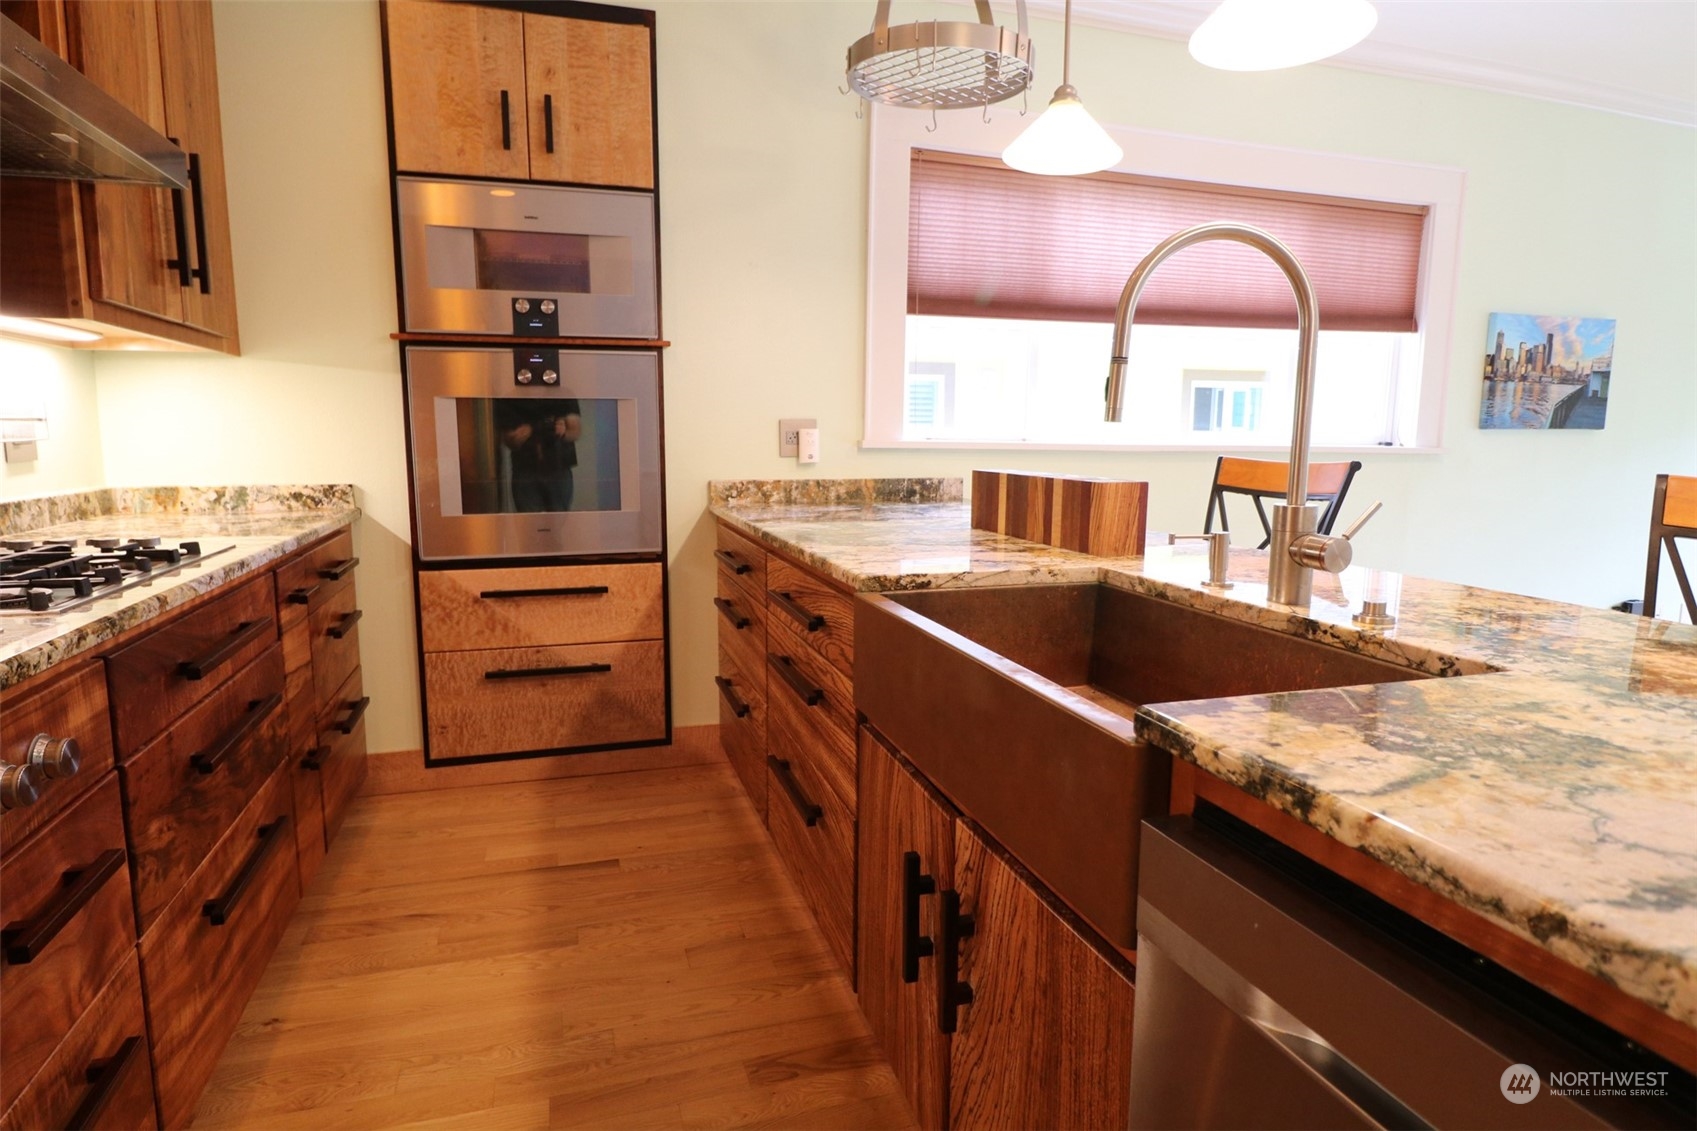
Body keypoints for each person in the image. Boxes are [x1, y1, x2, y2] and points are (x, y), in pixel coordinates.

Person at [494, 397, 580, 513]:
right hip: (526, 469)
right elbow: (510, 438)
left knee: (558, 524)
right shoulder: (512, 398)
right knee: (529, 524)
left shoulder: (561, 393)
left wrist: (562, 430)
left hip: (557, 467)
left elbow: (575, 430)